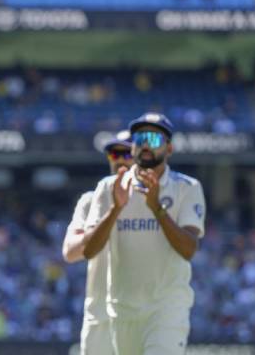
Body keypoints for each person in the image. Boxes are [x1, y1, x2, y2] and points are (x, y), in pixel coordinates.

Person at [83, 113, 206, 355]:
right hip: (122, 309)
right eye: (140, 138)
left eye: (154, 138)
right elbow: (89, 250)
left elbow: (188, 249)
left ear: (169, 148)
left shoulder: (187, 188)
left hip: (167, 308)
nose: (146, 144)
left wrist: (157, 208)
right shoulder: (109, 188)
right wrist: (115, 208)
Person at [62, 130, 133, 355]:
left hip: (142, 316)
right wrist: (107, 217)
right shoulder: (90, 201)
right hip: (100, 318)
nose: (120, 159)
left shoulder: (156, 201)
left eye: (127, 153)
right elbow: (70, 252)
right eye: (114, 153)